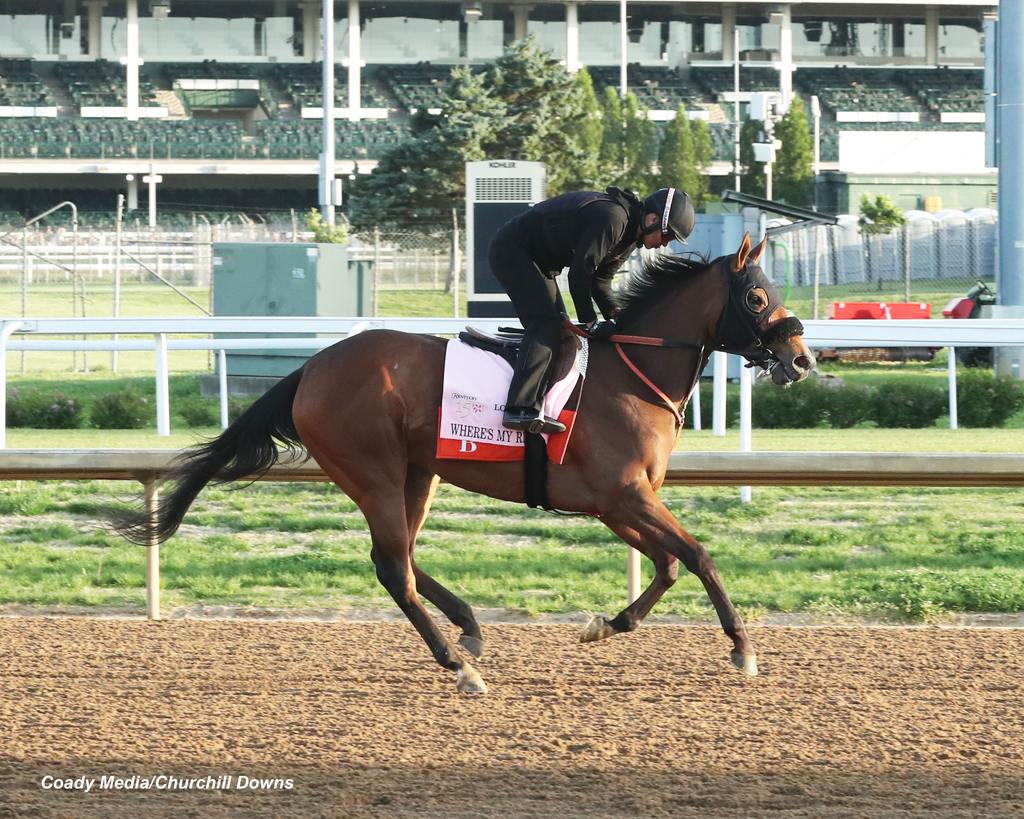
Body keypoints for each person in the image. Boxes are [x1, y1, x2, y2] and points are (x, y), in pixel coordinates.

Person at [488, 185, 696, 435]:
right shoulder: (613, 219)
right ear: (652, 219)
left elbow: (600, 281)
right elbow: (580, 275)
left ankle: (541, 405)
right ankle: (519, 409)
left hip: (538, 261)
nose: (664, 244)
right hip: (513, 250)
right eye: (667, 236)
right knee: (546, 324)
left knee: (561, 329)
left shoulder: (630, 236)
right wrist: (590, 322)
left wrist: (615, 312)